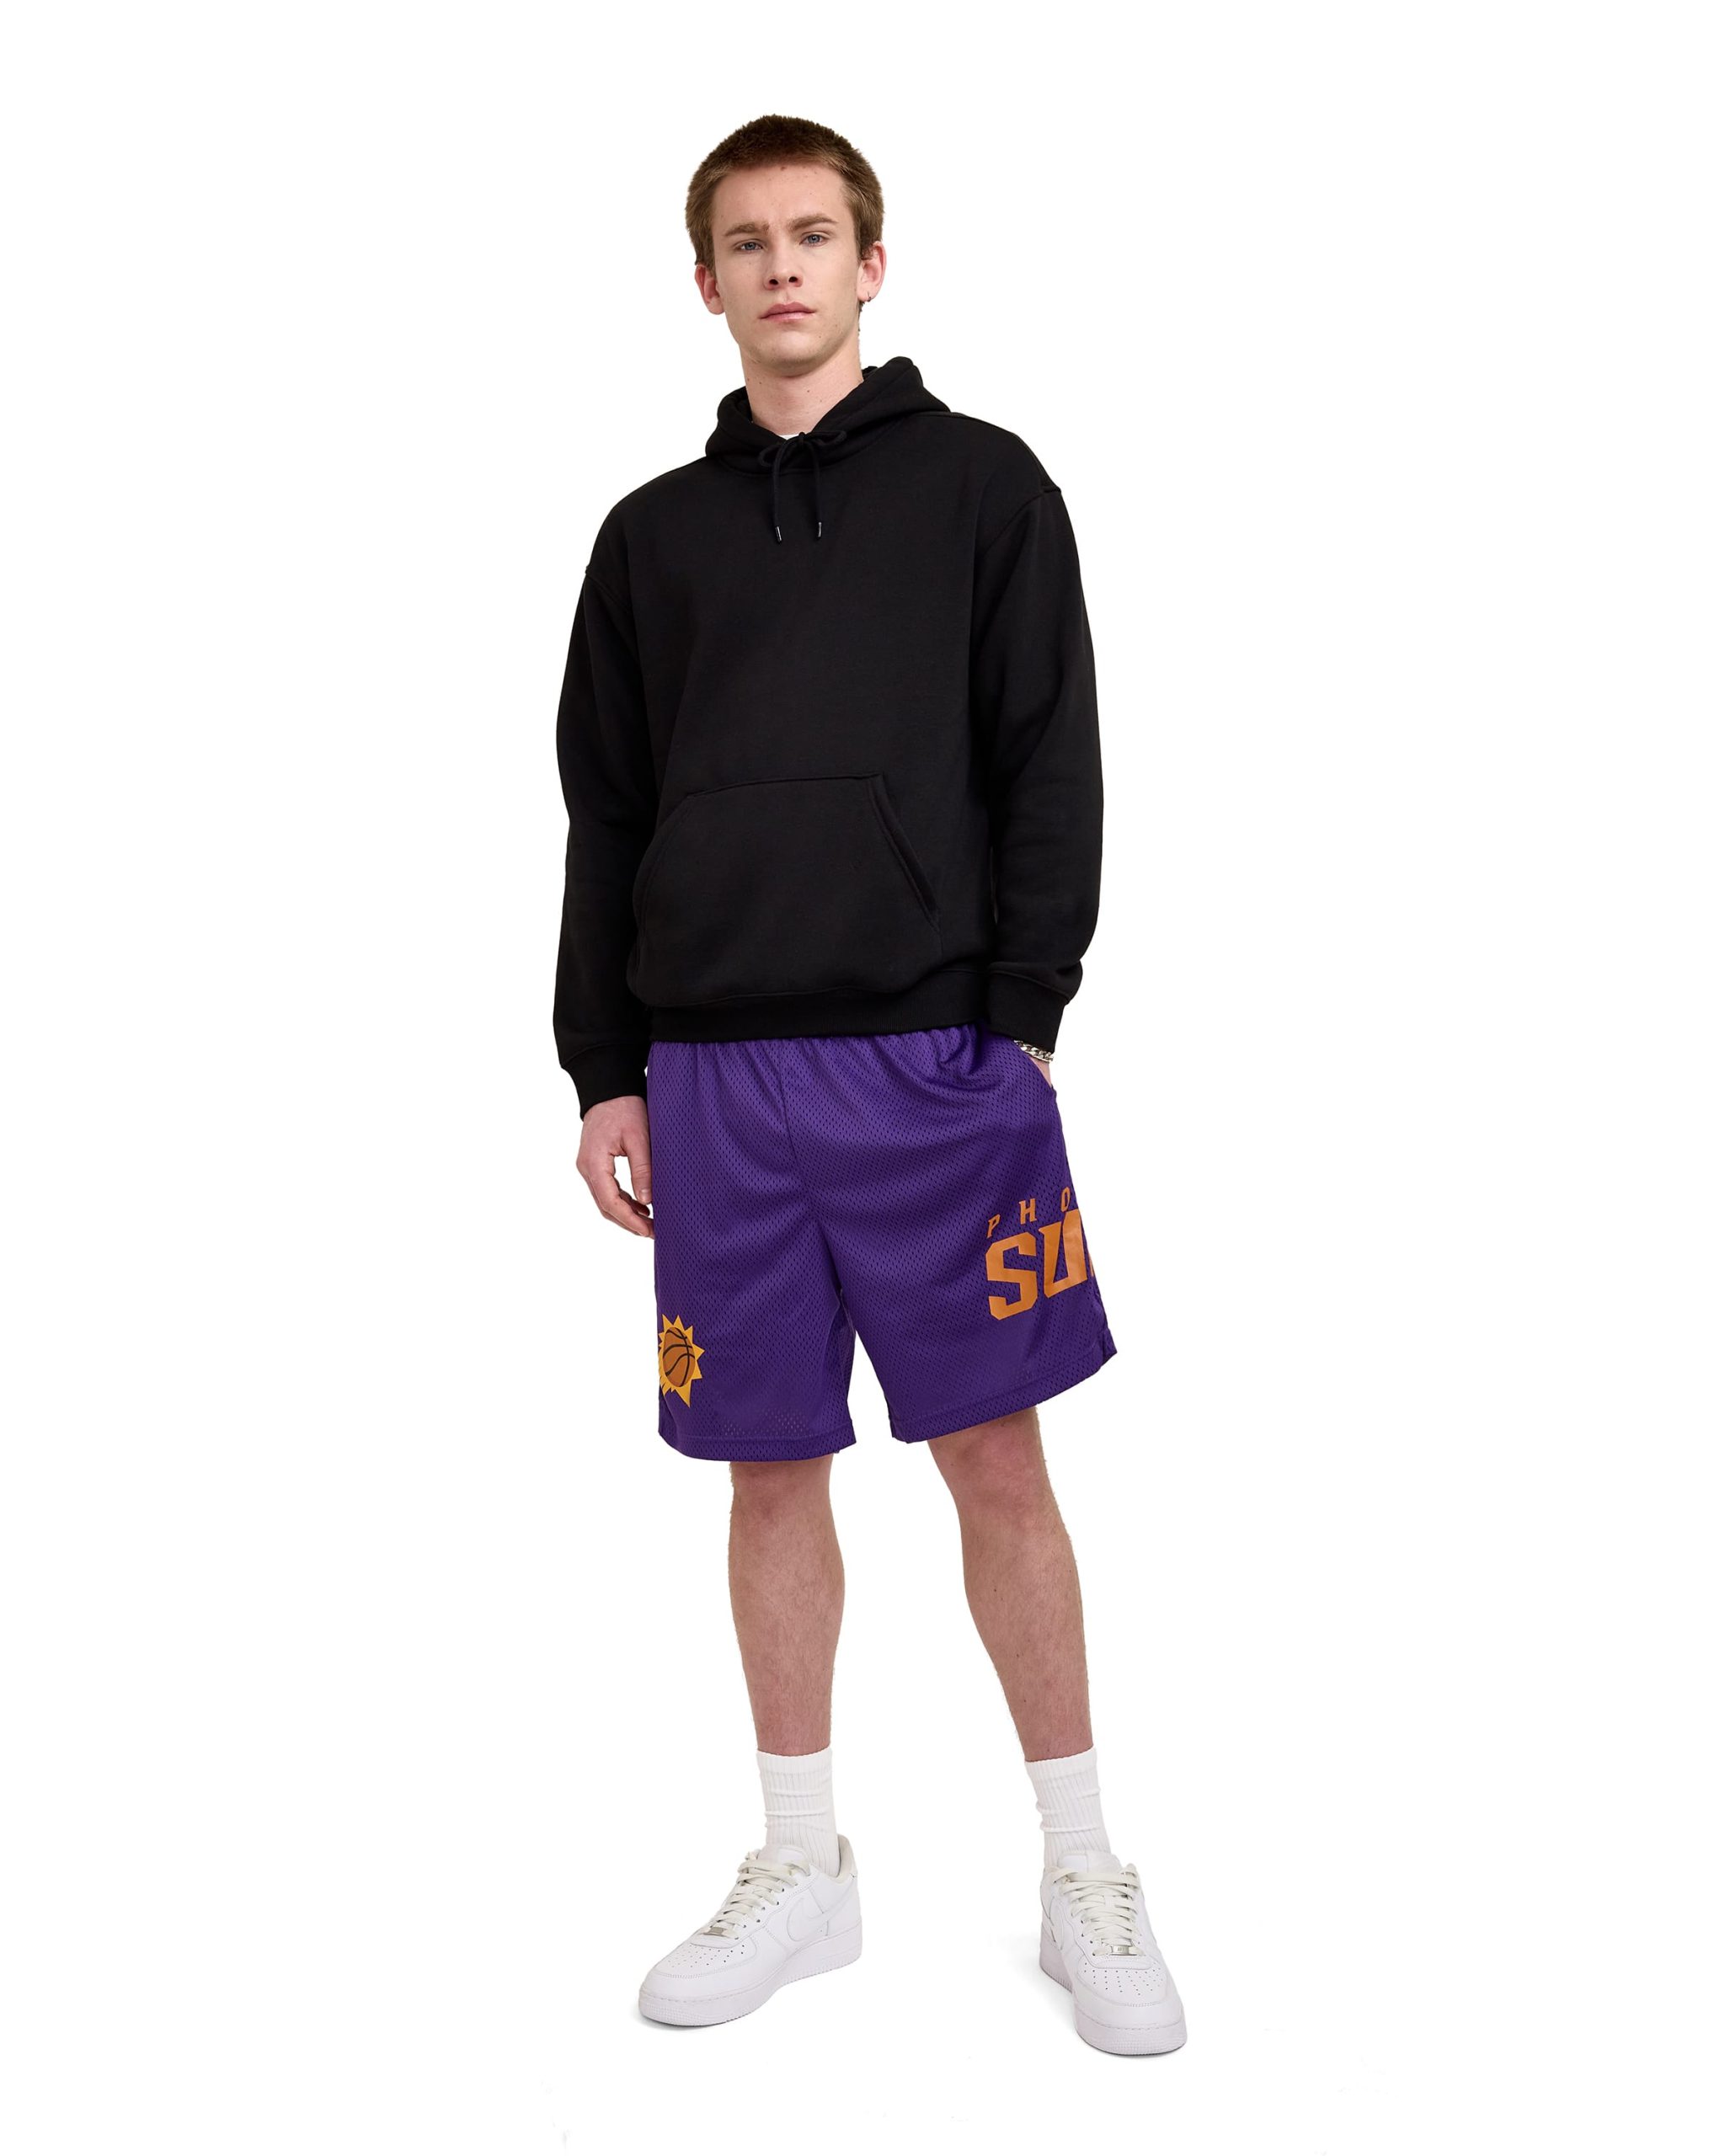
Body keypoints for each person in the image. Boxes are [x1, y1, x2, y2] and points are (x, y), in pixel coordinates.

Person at [553, 112, 1185, 2057]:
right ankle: (801, 1859)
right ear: (705, 280)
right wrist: (602, 1065)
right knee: (768, 1465)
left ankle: (1082, 1864)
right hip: (712, 1072)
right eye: (747, 241)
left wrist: (1025, 1016)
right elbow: (606, 814)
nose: (782, 268)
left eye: (813, 234)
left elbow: (1048, 757)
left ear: (870, 263)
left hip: (934, 1062)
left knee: (996, 1456)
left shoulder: (984, 488)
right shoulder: (648, 539)